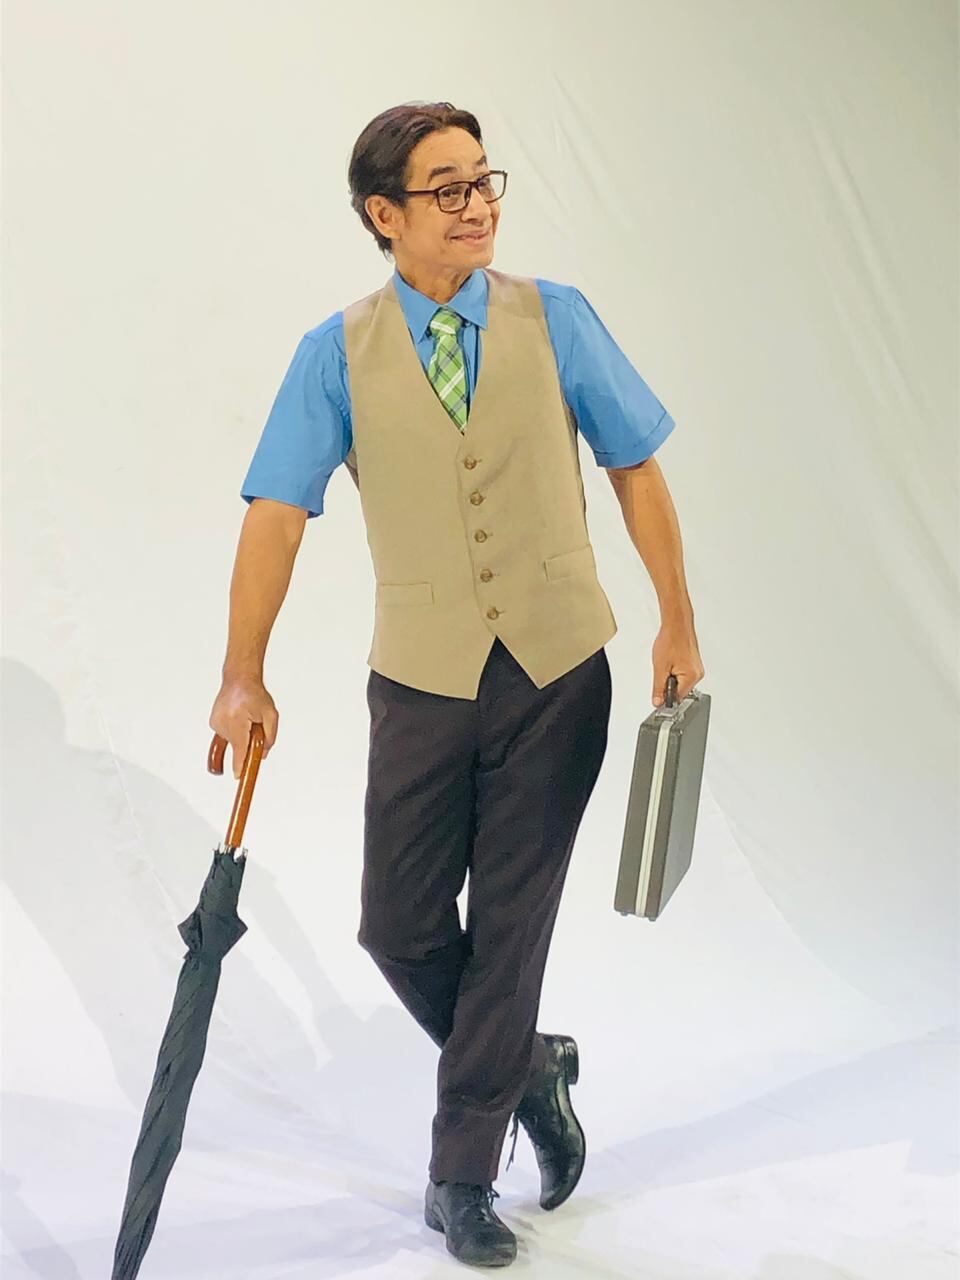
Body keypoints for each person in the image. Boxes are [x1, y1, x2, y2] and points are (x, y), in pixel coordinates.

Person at [209, 100, 704, 1269]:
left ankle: (461, 1175)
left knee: (511, 928)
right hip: (420, 677)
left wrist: (677, 620)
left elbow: (635, 466)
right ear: (384, 215)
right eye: (447, 189)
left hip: (556, 669)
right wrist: (242, 671)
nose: (477, 204)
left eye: (484, 181)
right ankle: (529, 1064)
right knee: (399, 923)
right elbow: (276, 513)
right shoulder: (334, 351)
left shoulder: (557, 317)